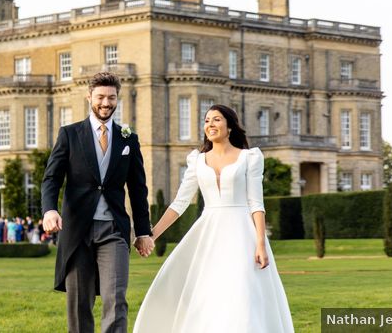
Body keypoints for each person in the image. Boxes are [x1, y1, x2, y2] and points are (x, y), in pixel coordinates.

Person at [133, 104, 295, 332]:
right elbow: (179, 203)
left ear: (230, 127)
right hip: (209, 234)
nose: (210, 125)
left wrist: (260, 242)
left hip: (242, 234)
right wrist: (151, 235)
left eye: (217, 120)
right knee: (207, 292)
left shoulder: (250, 158)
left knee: (241, 290)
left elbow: (256, 203)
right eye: (207, 120)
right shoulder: (197, 160)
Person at [42, 71, 152, 333]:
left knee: (116, 300)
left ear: (117, 99)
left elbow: (138, 190)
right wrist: (49, 209)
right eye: (100, 97)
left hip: (113, 230)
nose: (106, 103)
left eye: (111, 98)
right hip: (77, 230)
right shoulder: (69, 134)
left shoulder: (128, 139)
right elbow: (51, 178)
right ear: (89, 96)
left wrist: (144, 231)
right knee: (79, 303)